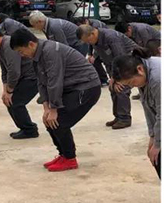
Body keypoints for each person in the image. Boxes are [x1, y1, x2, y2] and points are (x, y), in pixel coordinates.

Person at [10, 27, 101, 171]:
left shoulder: (50, 51)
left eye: (21, 51)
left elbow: (54, 81)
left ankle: (70, 159)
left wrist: (54, 109)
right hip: (70, 88)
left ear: (31, 44)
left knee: (58, 121)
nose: (22, 55)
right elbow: (41, 82)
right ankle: (63, 155)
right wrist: (46, 107)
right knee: (49, 120)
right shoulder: (36, 55)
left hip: (86, 87)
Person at [112, 54, 161, 203]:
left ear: (139, 69)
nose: (132, 86)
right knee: (157, 158)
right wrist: (152, 137)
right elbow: (149, 108)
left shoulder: (158, 78)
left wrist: (158, 144)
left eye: (131, 82)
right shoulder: (144, 75)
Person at [0, 25, 39, 139]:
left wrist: (9, 91)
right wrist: (5, 90)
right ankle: (25, 128)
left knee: (15, 101)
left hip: (33, 77)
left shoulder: (8, 45)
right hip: (22, 77)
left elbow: (14, 70)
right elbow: (4, 70)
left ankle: (30, 130)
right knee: (9, 100)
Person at [76, 21, 137, 129]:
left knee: (121, 88)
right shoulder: (95, 41)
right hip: (118, 64)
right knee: (113, 88)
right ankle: (118, 116)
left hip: (130, 62)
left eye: (88, 41)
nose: (89, 43)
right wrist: (112, 78)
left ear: (92, 34)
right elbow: (108, 60)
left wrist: (117, 78)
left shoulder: (111, 37)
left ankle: (125, 119)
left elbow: (121, 58)